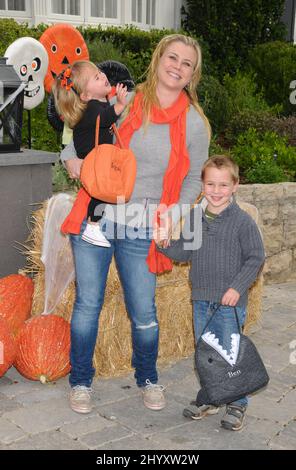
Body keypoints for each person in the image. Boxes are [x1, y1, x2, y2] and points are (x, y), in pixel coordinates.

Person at [59, 34, 210, 414]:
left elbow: (194, 179)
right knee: (88, 304)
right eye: (172, 57)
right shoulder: (127, 99)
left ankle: (147, 377)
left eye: (186, 63)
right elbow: (78, 124)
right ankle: (80, 381)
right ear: (159, 59)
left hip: (143, 223)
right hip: (98, 214)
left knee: (143, 310)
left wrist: (174, 214)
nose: (177, 66)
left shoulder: (194, 123)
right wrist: (69, 158)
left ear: (193, 73)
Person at [155, 155, 265, 431]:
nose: (216, 191)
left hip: (229, 302)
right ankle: (212, 397)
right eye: (211, 184)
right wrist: (164, 244)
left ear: (235, 186)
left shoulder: (242, 221)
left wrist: (236, 288)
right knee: (206, 353)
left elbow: (255, 258)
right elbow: (184, 251)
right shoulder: (195, 217)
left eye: (223, 185)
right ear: (202, 186)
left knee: (229, 353)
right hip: (201, 299)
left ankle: (237, 402)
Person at [52, 60, 128, 246]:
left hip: (94, 156)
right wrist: (119, 104)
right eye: (96, 77)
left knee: (100, 191)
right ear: (86, 95)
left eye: (100, 73)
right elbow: (105, 118)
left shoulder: (97, 104)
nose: (103, 76)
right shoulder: (93, 107)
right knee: (99, 193)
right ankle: (93, 226)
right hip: (92, 158)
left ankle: (92, 224)